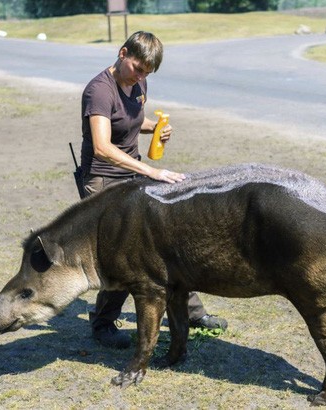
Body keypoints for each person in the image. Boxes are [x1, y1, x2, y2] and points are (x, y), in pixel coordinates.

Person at [79, 31, 228, 349]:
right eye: (137, 68)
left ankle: (191, 313)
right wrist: (151, 171)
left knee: (163, 244)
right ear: (122, 53)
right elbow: (103, 146)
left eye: (147, 72)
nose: (141, 76)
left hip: (131, 176)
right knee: (123, 256)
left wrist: (155, 127)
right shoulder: (99, 91)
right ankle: (103, 324)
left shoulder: (137, 83)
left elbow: (131, 119)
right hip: (103, 181)